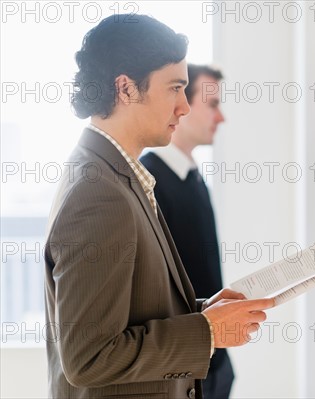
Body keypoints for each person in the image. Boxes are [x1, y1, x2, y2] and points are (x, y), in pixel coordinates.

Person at [44, 14, 274, 399]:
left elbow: (132, 314)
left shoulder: (114, 175)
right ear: (126, 89)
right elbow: (88, 357)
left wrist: (203, 311)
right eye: (175, 88)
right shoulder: (98, 193)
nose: (184, 107)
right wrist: (207, 331)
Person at [140, 66, 233, 398]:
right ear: (182, 105)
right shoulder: (148, 182)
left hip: (212, 362)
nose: (220, 117)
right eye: (213, 104)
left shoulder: (192, 177)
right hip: (184, 370)